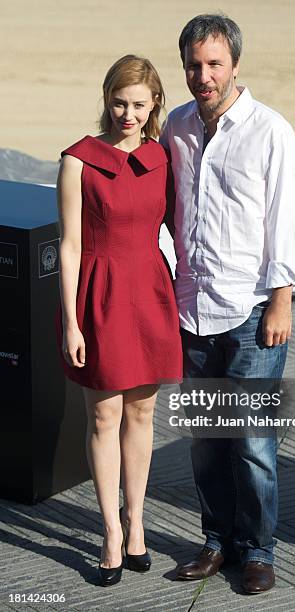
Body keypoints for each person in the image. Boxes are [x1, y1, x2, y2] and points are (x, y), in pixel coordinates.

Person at [160, 14, 295, 594]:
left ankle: (259, 550)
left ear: (235, 65)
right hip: (192, 309)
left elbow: (285, 222)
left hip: (251, 313)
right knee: (206, 441)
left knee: (251, 443)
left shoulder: (271, 131)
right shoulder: (175, 126)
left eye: (215, 63)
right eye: (195, 65)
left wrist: (281, 301)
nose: (205, 75)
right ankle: (218, 541)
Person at [56, 55, 182, 587]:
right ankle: (110, 531)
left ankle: (137, 525)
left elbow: (181, 229)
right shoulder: (78, 159)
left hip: (150, 292)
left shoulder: (163, 157)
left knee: (141, 416)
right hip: (99, 296)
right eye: (118, 102)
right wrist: (70, 322)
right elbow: (68, 246)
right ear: (106, 97)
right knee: (104, 417)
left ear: (154, 104)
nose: (127, 114)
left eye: (138, 104)